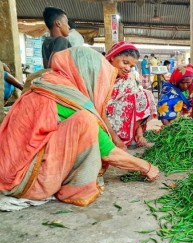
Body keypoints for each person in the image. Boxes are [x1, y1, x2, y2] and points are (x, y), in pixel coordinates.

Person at [0, 47, 159, 207]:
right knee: (86, 121)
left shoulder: (49, 85)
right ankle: (64, 186)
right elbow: (109, 152)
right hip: (22, 180)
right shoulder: (66, 97)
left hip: (10, 170)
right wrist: (146, 166)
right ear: (87, 73)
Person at [105, 42, 157, 148]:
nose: (128, 68)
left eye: (131, 66)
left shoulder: (129, 78)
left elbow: (136, 109)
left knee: (145, 94)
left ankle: (132, 135)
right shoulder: (100, 75)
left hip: (121, 121)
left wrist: (139, 134)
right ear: (113, 57)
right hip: (103, 120)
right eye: (125, 62)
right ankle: (111, 137)